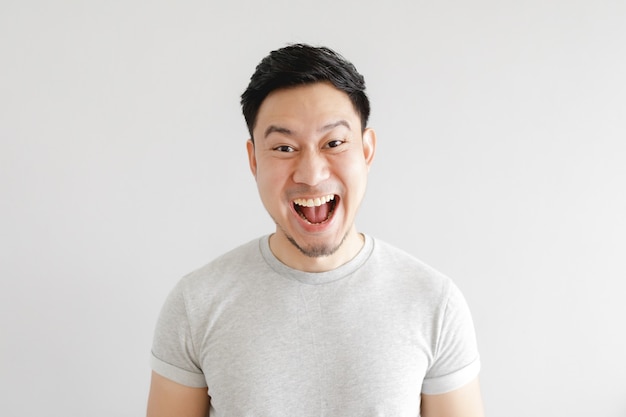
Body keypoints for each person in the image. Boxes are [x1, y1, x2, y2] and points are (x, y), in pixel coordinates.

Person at [146, 43, 484, 417]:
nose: (310, 174)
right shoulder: (196, 304)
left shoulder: (434, 302)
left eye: (334, 143)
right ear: (253, 159)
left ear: (367, 150)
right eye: (284, 147)